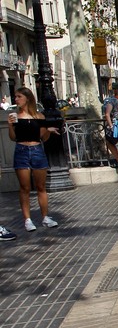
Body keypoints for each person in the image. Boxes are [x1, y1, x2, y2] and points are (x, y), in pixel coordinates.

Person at [8, 87, 59, 232]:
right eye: (15, 97)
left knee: (41, 186)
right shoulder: (16, 116)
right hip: (21, 150)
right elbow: (12, 138)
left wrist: (48, 131)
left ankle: (45, 217)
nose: (16, 99)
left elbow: (43, 137)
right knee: (25, 187)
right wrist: (10, 126)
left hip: (37, 150)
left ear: (27, 98)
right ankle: (27, 219)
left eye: (19, 97)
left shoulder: (39, 117)